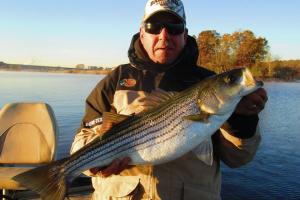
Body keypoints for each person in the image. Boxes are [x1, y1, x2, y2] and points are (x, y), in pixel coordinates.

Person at [70, 0, 268, 199]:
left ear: (184, 34)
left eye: (174, 28)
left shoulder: (205, 80)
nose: (164, 36)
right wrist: (100, 158)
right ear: (142, 33)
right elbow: (80, 143)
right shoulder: (116, 79)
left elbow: (239, 159)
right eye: (154, 27)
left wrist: (243, 120)